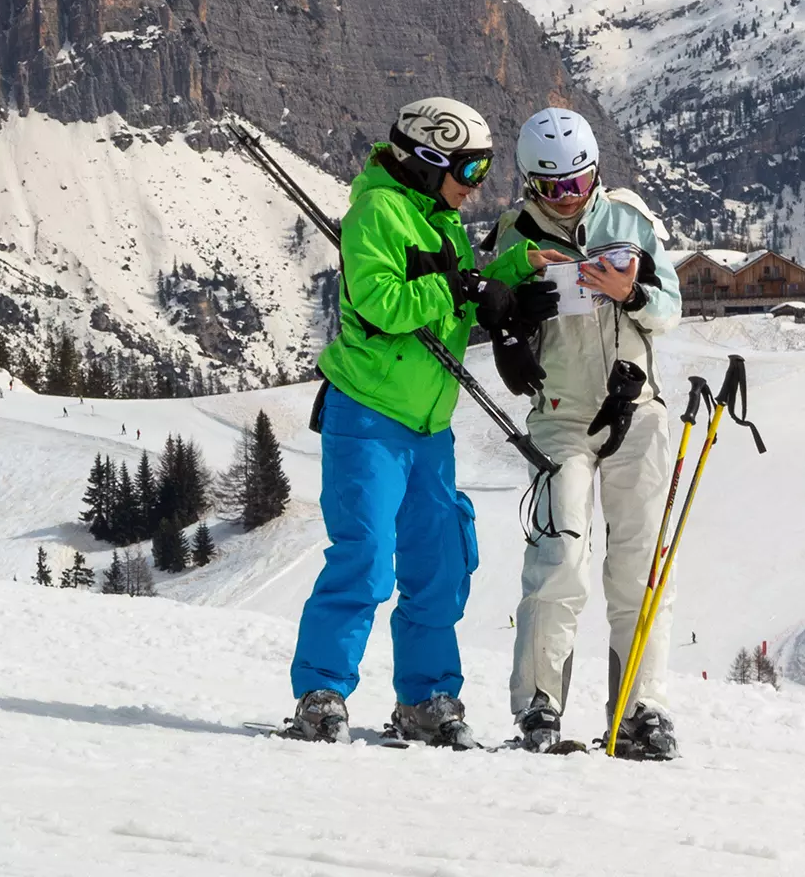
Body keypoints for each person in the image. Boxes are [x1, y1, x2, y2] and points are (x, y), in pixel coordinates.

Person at [283, 98, 557, 749]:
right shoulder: (376, 212)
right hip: (370, 418)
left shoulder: (440, 221)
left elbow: (453, 301)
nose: (477, 184)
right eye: (470, 167)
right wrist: (459, 289)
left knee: (438, 565)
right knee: (366, 558)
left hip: (429, 430)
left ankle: (426, 700)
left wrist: (508, 279)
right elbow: (380, 304)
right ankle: (322, 694)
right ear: (429, 158)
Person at [489, 107, 682, 758]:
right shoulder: (514, 236)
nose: (567, 199)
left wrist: (632, 294)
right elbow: (487, 320)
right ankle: (539, 706)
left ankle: (640, 709)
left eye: (577, 183)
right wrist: (515, 306)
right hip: (561, 415)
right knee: (559, 557)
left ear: (595, 170)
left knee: (639, 569)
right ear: (530, 185)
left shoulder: (630, 220)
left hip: (637, 411)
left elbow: (671, 308)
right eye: (552, 188)